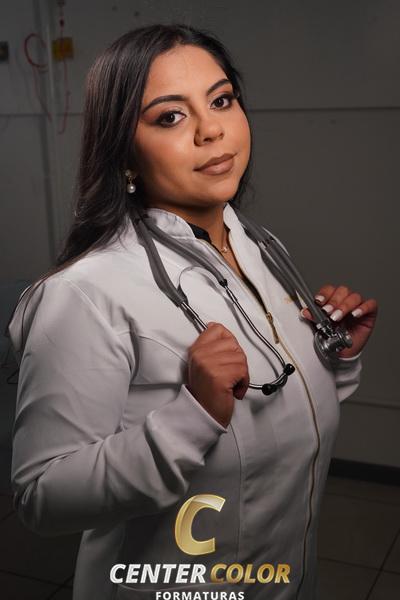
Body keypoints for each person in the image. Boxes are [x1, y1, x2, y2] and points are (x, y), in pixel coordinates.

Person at [6, 24, 378, 600]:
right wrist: (193, 417)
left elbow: (279, 408)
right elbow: (41, 496)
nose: (212, 130)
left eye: (222, 100)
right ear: (123, 152)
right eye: (171, 117)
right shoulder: (86, 293)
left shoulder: (260, 249)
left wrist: (335, 358)